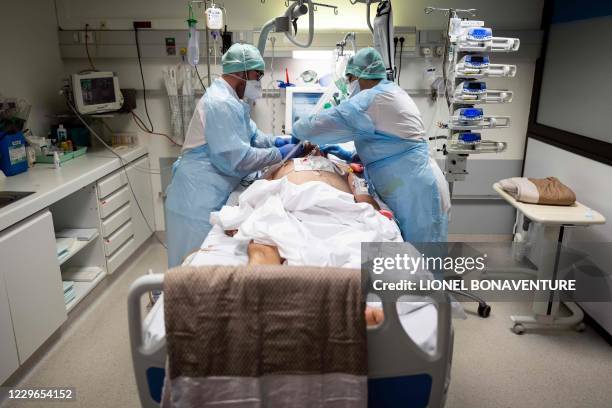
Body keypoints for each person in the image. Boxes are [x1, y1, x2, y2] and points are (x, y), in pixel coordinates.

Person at [291, 47, 450, 242]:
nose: (350, 85)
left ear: (362, 75)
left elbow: (314, 125)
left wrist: (295, 131)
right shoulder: (389, 91)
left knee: (422, 259)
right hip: (409, 181)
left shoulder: (371, 99)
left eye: (350, 79)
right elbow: (387, 142)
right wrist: (353, 156)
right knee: (410, 254)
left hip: (416, 190)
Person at [165, 43, 298, 267]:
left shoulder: (233, 102)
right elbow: (238, 159)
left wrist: (277, 140)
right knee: (191, 269)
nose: (259, 80)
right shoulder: (220, 103)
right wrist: (279, 154)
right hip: (196, 199)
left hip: (209, 192)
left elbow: (253, 136)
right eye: (258, 74)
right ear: (242, 73)